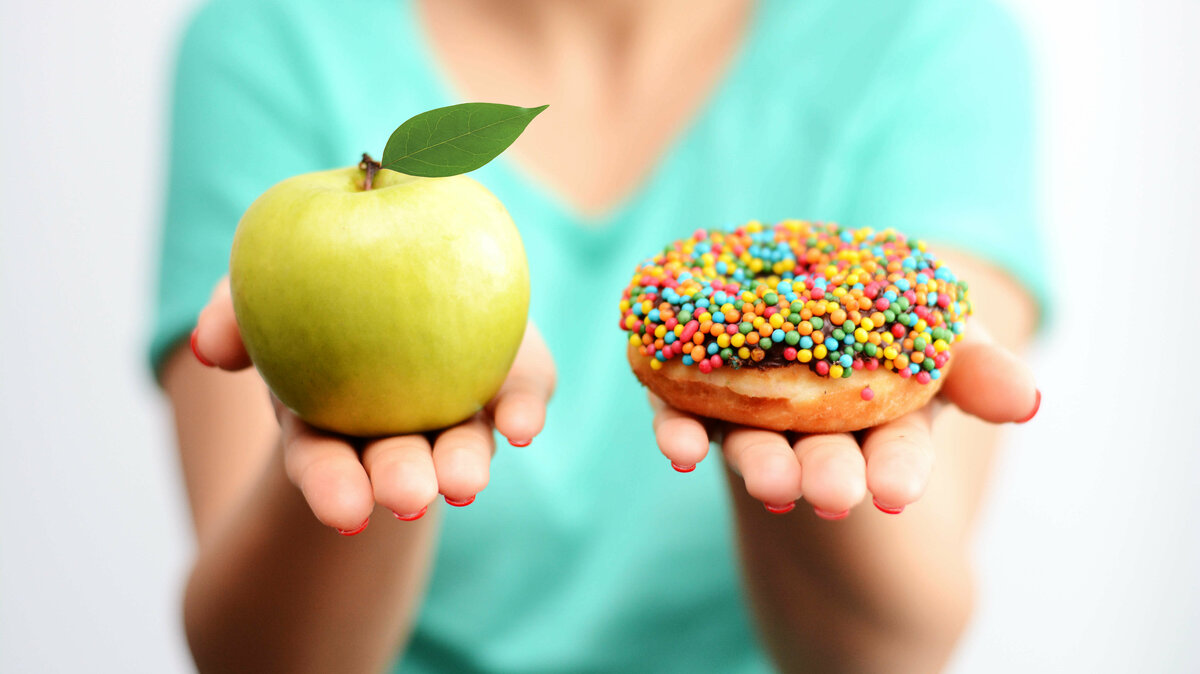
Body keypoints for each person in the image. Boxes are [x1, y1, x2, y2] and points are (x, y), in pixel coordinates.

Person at [152, 0, 1043, 671]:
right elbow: (252, 659)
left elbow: (891, 650)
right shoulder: (275, 38)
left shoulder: (925, 36)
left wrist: (795, 439)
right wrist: (365, 392)